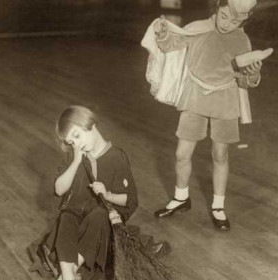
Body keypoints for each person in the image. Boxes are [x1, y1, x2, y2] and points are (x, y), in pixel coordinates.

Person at [152, 0, 263, 231]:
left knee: (220, 154)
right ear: (216, 8)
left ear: (244, 19)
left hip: (225, 100)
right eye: (224, 16)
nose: (228, 23)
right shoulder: (197, 28)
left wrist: (254, 74)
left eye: (235, 20)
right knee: (182, 153)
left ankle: (218, 206)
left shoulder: (241, 39)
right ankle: (181, 198)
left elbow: (244, 80)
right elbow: (170, 45)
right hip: (195, 98)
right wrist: (163, 34)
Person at [47, 105, 138, 280]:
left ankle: (72, 269)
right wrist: (75, 162)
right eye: (71, 142)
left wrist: (108, 194)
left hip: (103, 221)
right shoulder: (76, 155)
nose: (76, 144)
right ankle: (68, 275)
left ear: (90, 124)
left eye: (77, 136)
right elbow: (59, 190)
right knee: (66, 216)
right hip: (78, 213)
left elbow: (130, 200)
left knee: (98, 215)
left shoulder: (117, 157)